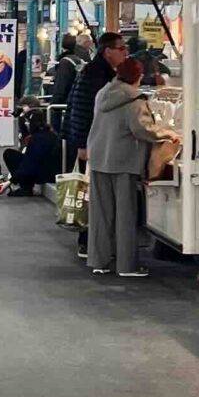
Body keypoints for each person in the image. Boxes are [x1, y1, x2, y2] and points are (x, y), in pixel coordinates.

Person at [87, 54, 159, 278]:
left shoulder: (102, 93)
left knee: (100, 214)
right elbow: (142, 130)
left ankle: (99, 261)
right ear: (138, 76)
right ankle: (126, 266)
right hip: (123, 161)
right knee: (125, 214)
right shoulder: (134, 100)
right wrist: (167, 133)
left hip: (98, 157)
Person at [66, 31, 129, 258]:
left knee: (94, 195)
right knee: (92, 195)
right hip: (93, 142)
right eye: (121, 48)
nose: (125, 53)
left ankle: (95, 242)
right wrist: (82, 143)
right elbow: (81, 109)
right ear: (108, 51)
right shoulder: (96, 74)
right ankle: (88, 242)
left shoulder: (99, 71)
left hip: (97, 141)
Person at [4, 105, 63, 196]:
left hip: (46, 173)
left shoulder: (38, 139)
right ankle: (25, 187)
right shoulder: (46, 133)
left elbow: (29, 163)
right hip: (48, 169)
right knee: (13, 155)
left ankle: (25, 188)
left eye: (27, 122)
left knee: (10, 155)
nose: (26, 124)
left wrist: (10, 182)